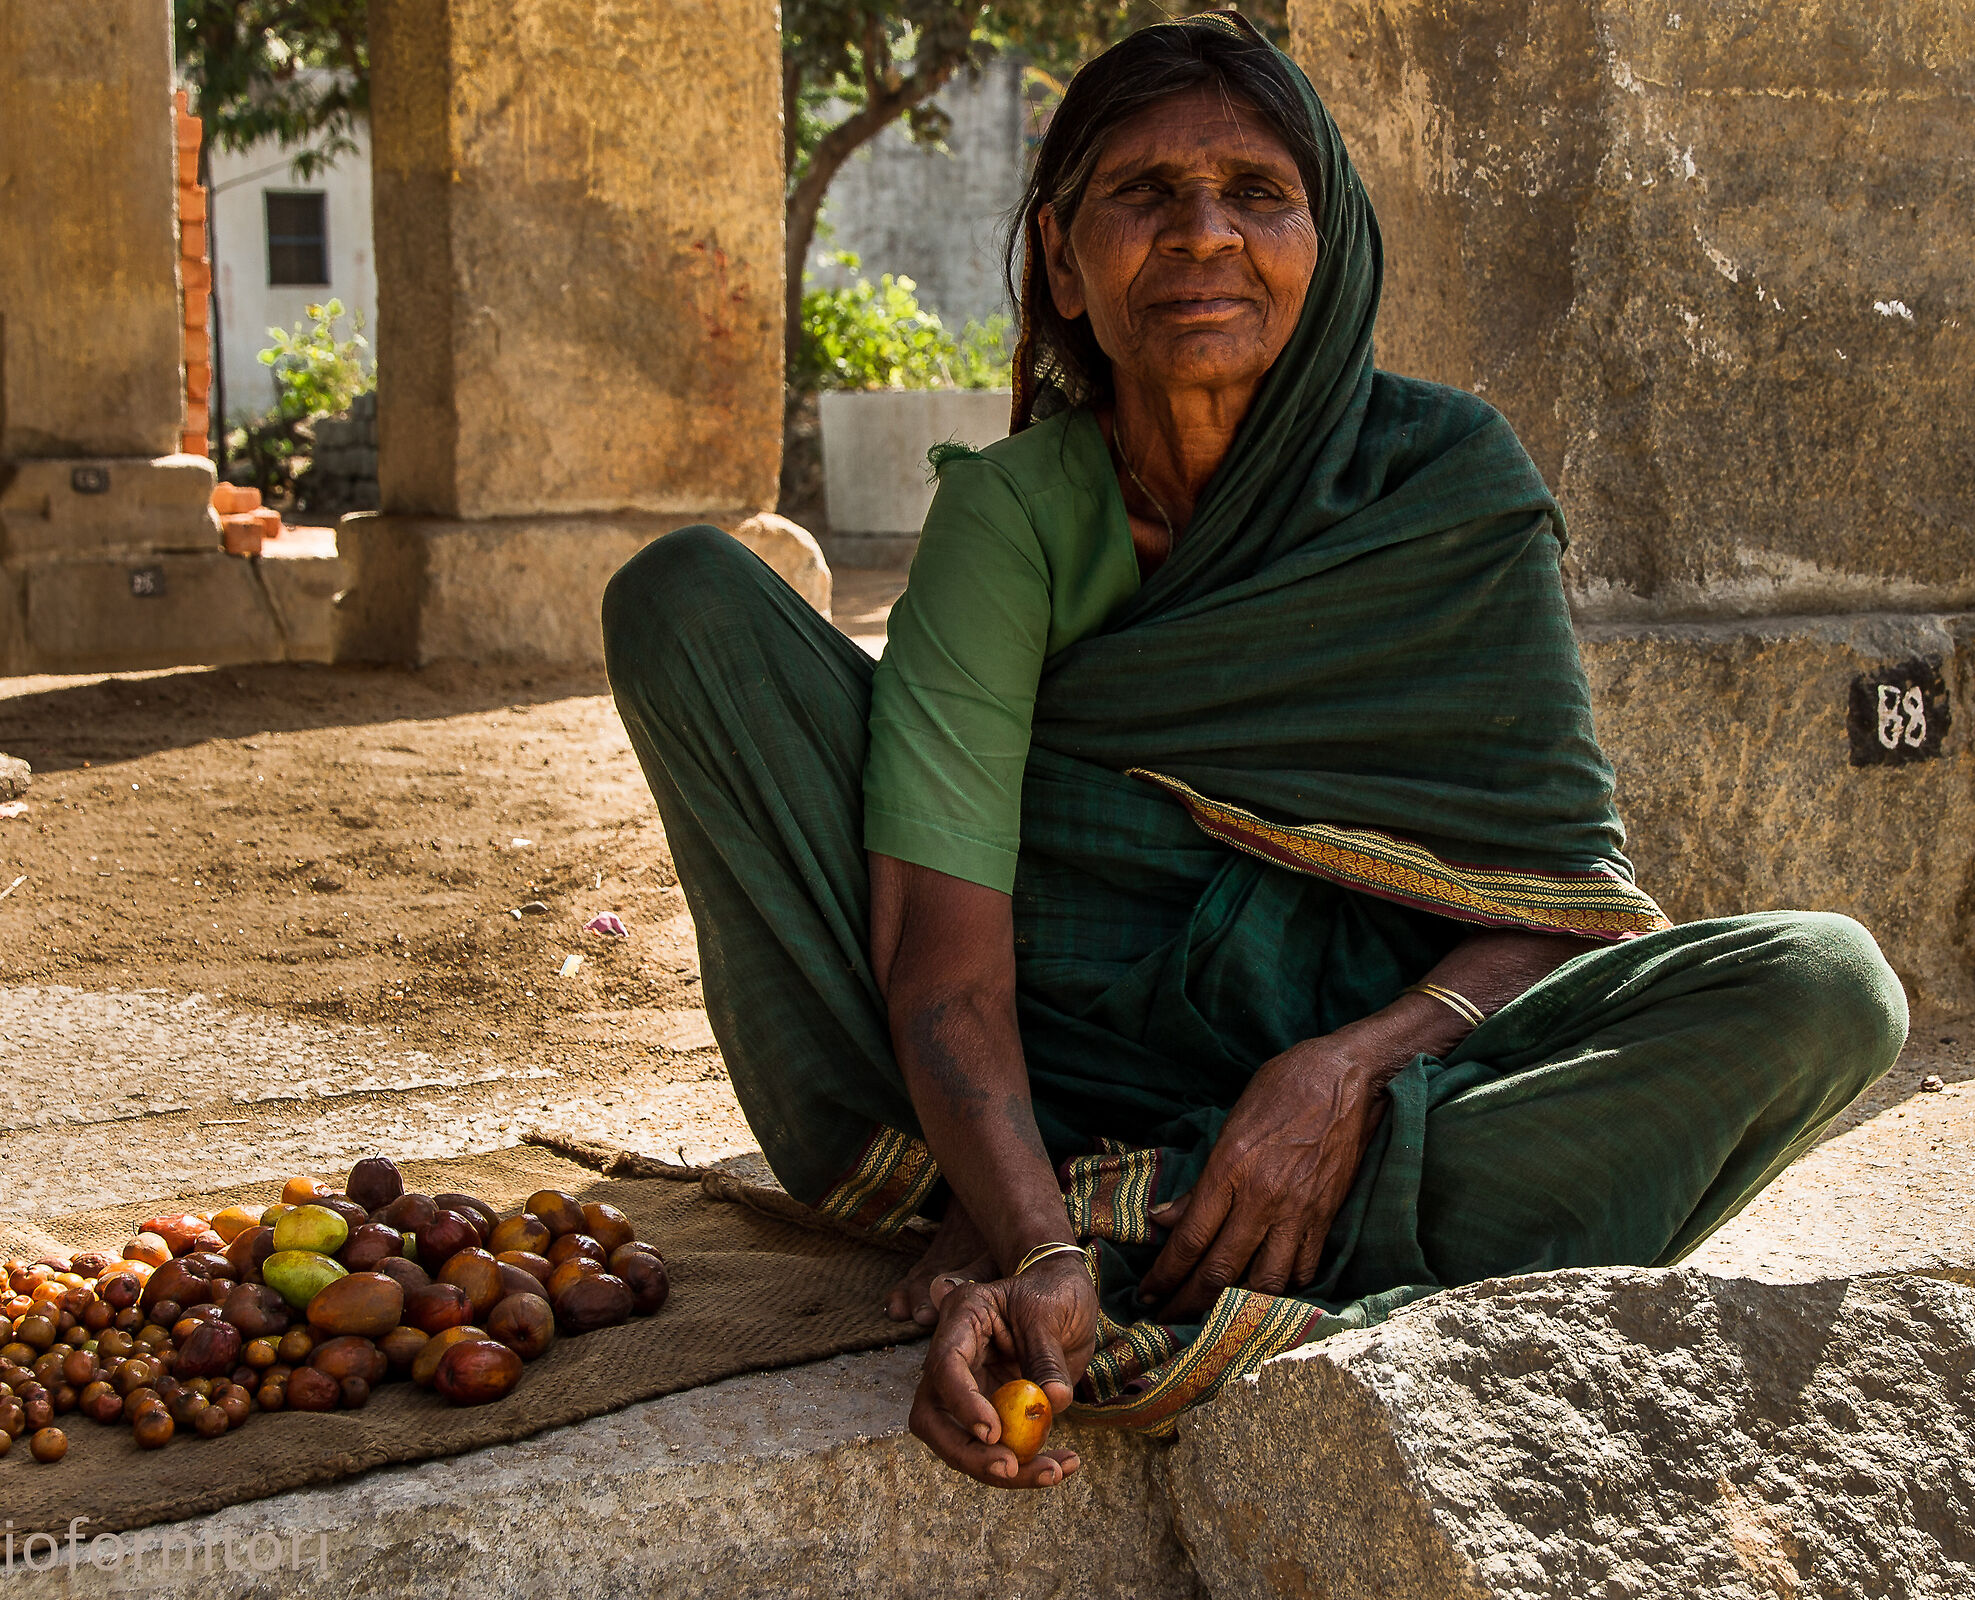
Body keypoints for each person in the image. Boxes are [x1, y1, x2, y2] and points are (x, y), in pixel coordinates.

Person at [602, 12, 1906, 1490]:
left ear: (1327, 239)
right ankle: (1105, 1215)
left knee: (1824, 986)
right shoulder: (1017, 517)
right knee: (687, 600)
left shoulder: (1449, 485)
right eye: (1145, 196)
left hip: (1372, 1101)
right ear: (1062, 259)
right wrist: (1032, 1233)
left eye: (1255, 194)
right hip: (1060, 1061)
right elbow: (944, 962)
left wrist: (1342, 1074)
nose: (1202, 235)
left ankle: (1155, 1219)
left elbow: (1544, 912)